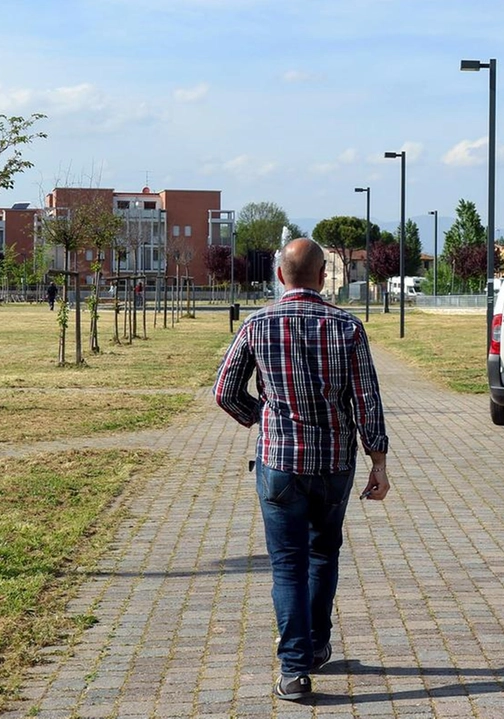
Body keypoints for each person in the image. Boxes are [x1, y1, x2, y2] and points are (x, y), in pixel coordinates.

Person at [214, 238, 390, 702]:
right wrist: (379, 461)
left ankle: (294, 670)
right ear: (322, 276)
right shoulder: (348, 327)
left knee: (287, 566)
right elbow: (367, 400)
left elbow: (224, 391)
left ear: (279, 277)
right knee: (323, 556)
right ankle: (314, 645)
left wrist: (262, 416)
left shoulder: (257, 325)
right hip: (334, 463)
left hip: (279, 462)